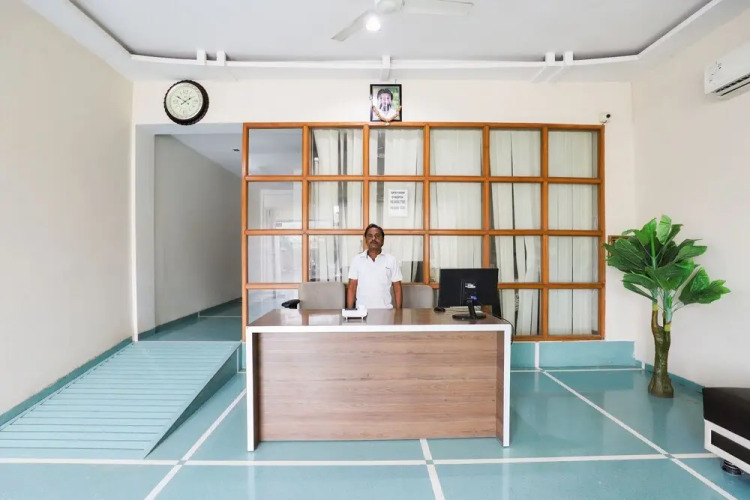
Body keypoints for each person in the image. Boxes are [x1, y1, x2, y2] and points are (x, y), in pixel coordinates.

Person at [346, 223, 403, 309]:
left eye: (377, 236)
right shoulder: (357, 260)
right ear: (366, 240)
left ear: (383, 240)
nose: (373, 239)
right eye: (370, 236)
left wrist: (399, 312)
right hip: (362, 311)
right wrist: (349, 312)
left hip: (386, 311)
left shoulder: (391, 260)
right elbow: (352, 287)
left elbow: (397, 288)